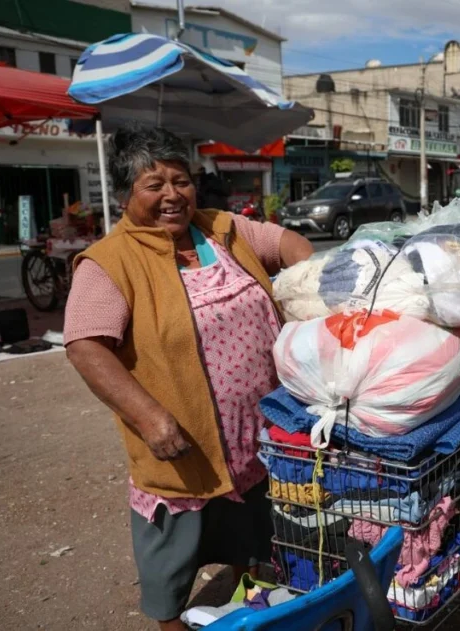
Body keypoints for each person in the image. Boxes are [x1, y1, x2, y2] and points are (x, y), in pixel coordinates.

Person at [63, 125, 314, 631]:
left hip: (259, 431)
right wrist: (149, 417)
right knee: (172, 560)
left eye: (180, 180)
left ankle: (247, 600)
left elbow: (291, 244)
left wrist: (315, 291)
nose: (172, 195)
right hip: (182, 440)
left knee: (254, 531)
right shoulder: (111, 262)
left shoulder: (222, 228)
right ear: (125, 193)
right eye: (153, 185)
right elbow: (86, 345)